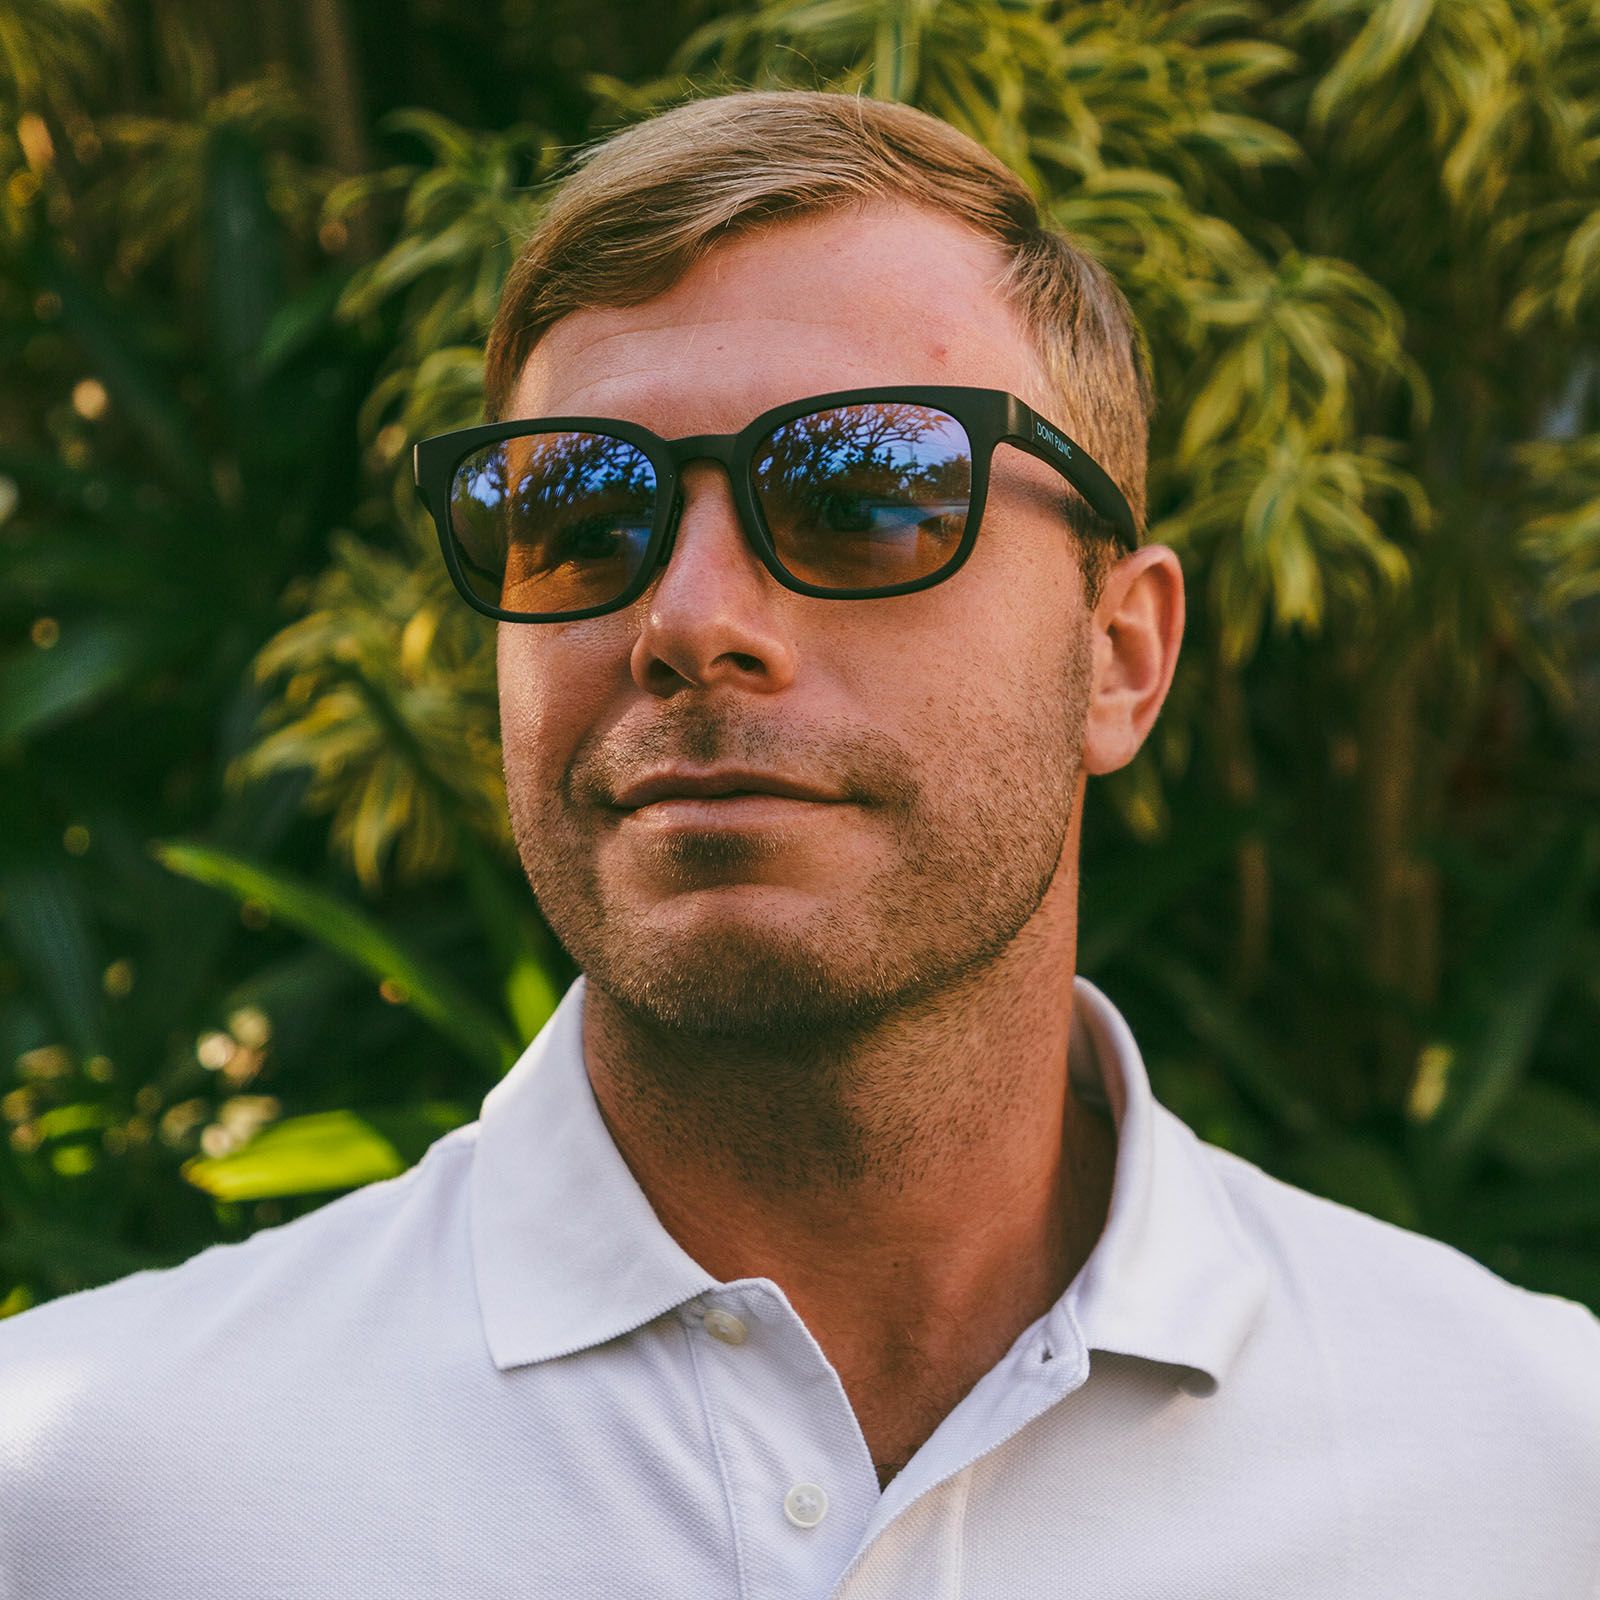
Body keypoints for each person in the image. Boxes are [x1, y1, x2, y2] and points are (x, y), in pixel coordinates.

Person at [1, 89, 1596, 1599]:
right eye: (581, 520)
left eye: (865, 498)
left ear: (1120, 656)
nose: (689, 619)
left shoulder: (1527, 1474)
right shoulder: (99, 1500)